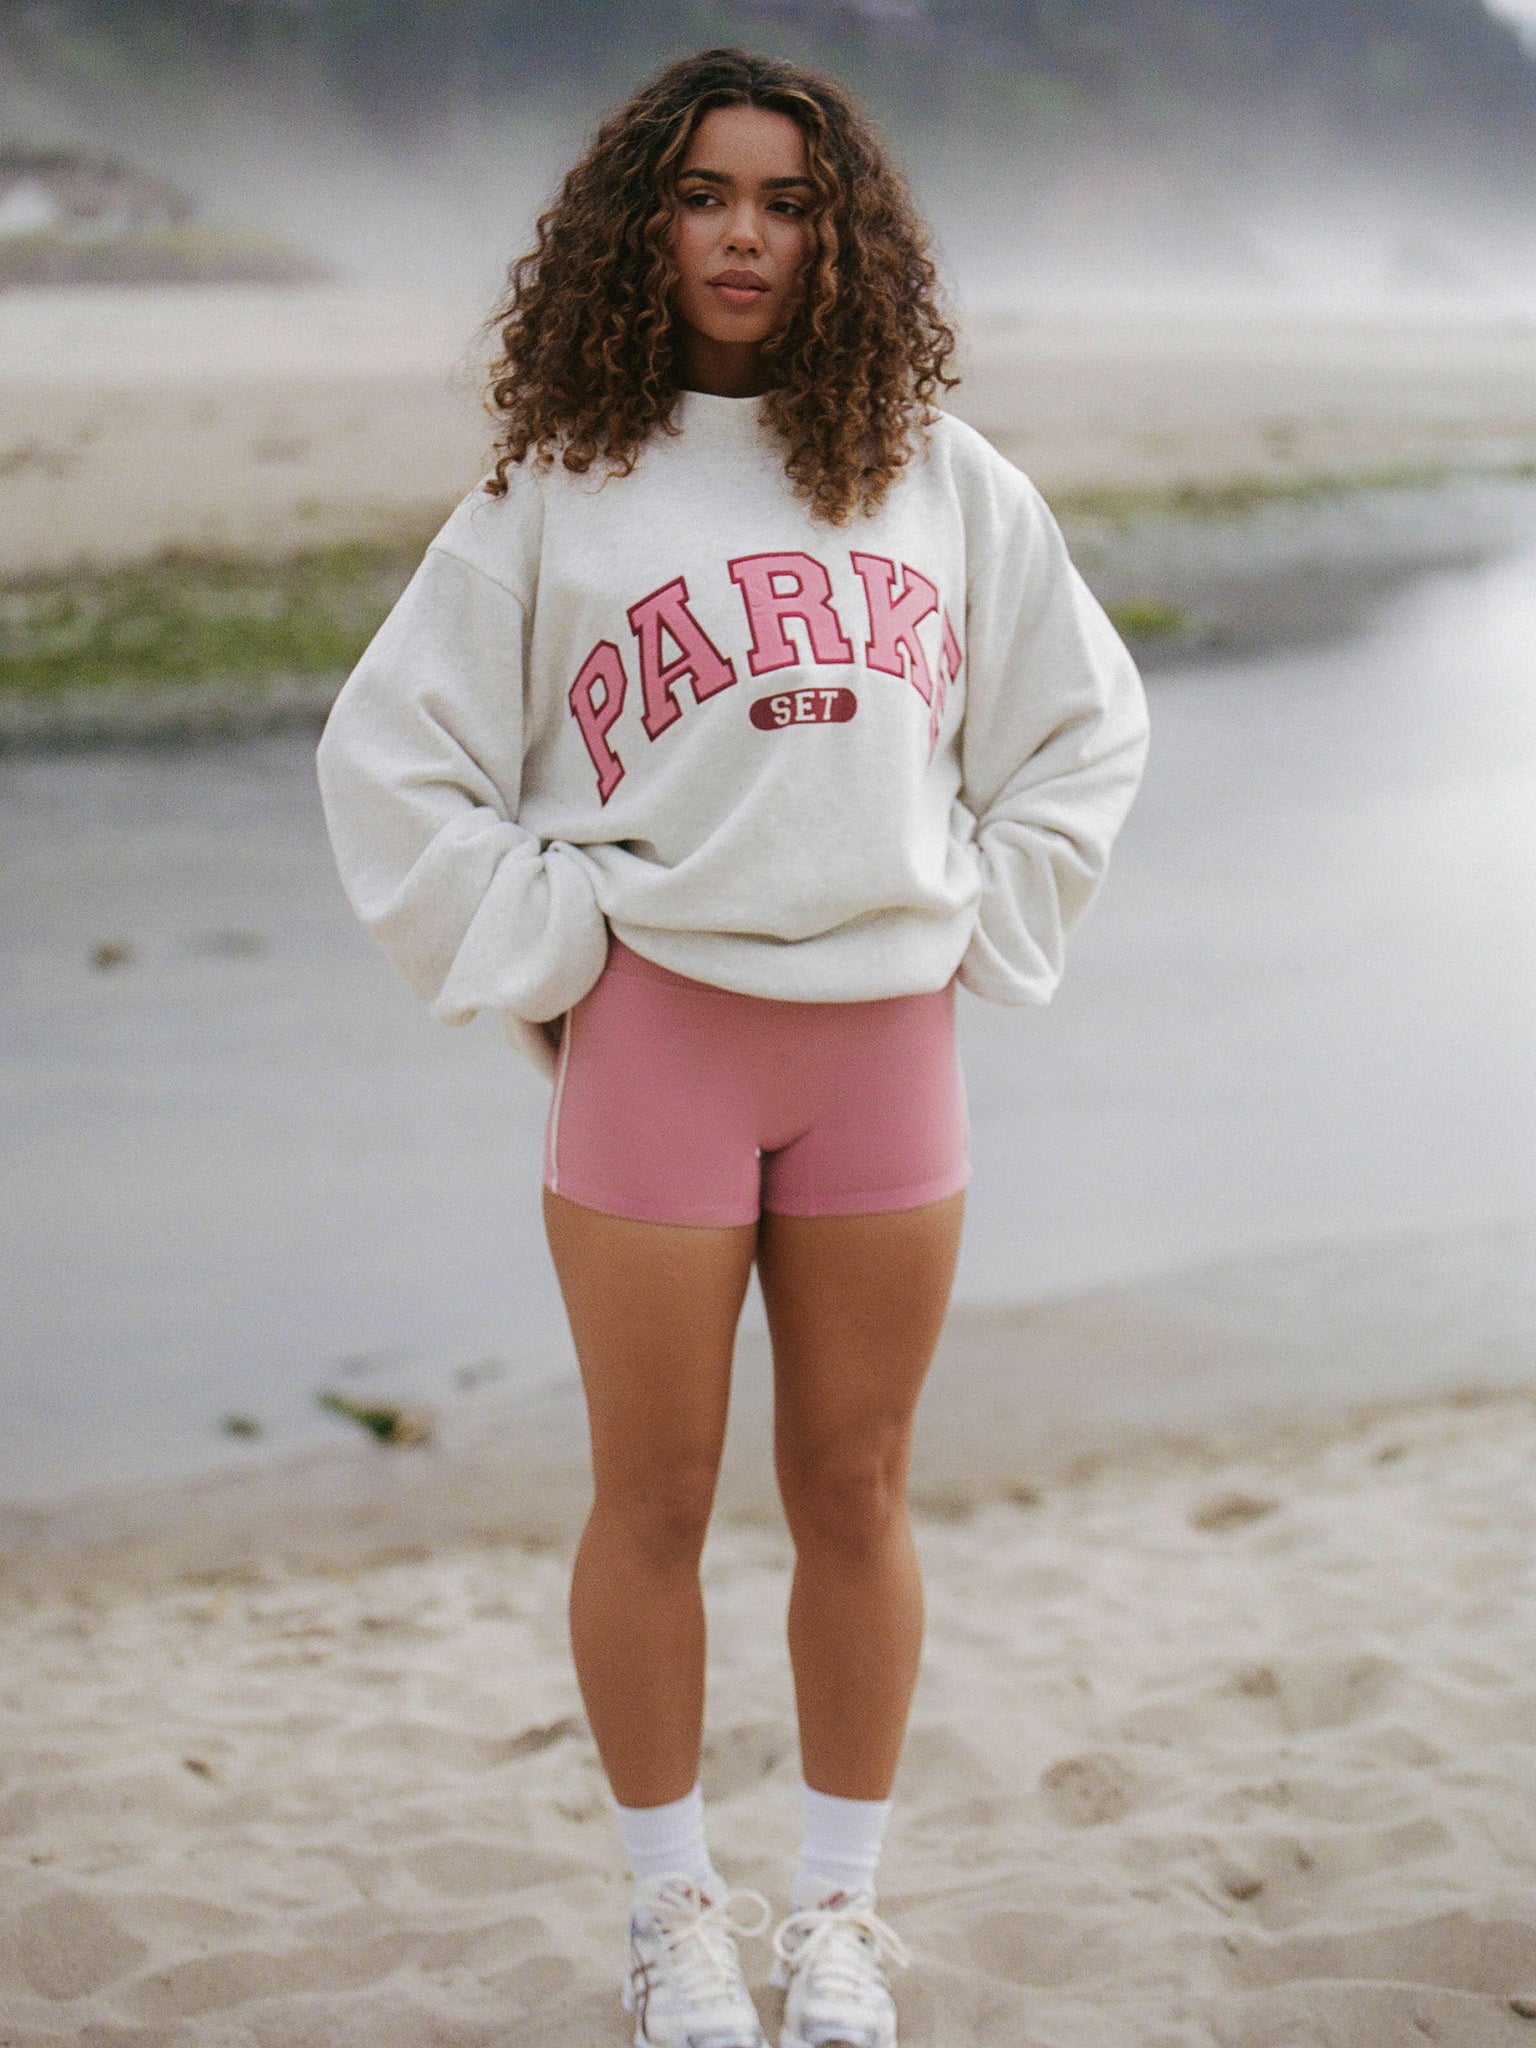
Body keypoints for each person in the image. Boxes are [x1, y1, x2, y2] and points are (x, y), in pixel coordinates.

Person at [316, 44, 1148, 2048]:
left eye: (784, 198)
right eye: (703, 195)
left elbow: (1084, 735)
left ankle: (838, 1921)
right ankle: (675, 1911)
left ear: (842, 233)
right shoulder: (555, 490)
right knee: (656, 1500)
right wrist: (558, 946)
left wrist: (973, 908)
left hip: (884, 1047)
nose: (745, 233)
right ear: (644, 223)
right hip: (662, 1045)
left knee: (856, 1487)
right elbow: (390, 760)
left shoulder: (944, 475)